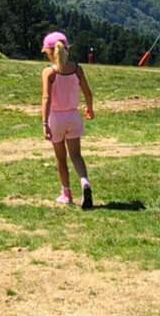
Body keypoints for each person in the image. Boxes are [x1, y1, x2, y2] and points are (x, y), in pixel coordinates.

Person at [41, 30, 95, 209]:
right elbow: (88, 92)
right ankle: (84, 181)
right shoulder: (77, 69)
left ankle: (66, 193)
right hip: (73, 116)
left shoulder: (49, 72)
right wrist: (89, 108)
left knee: (61, 158)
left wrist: (44, 123)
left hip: (56, 118)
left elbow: (46, 98)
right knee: (76, 155)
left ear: (49, 52)